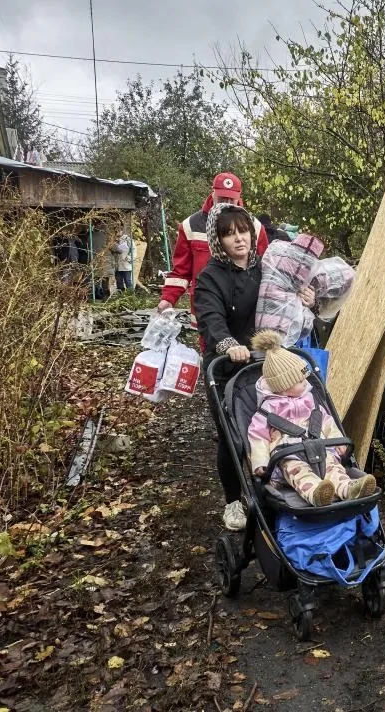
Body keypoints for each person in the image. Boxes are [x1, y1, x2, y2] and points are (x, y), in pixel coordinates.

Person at [193, 203, 316, 530]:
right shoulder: (210, 278)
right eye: (228, 233)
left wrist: (304, 296)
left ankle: (281, 487)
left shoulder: (267, 269)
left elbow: (284, 296)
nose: (238, 239)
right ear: (217, 240)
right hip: (227, 368)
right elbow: (210, 320)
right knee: (233, 438)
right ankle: (234, 501)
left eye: (243, 230)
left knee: (279, 429)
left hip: (267, 366)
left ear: (252, 232)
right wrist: (228, 344)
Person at [247, 329, 376, 506]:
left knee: (333, 468)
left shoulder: (310, 400)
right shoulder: (267, 410)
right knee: (300, 473)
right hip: (289, 454)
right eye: (300, 381)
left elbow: (327, 421)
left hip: (320, 448)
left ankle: (349, 488)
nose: (306, 382)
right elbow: (258, 437)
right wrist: (260, 461)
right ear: (284, 386)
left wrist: (338, 442)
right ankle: (316, 493)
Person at [157, 173, 270, 318]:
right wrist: (168, 298)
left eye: (231, 199)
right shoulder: (190, 225)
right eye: (222, 198)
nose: (227, 203)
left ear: (239, 198)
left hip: (244, 310)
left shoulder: (255, 227)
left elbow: (266, 269)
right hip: (206, 307)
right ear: (213, 194)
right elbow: (181, 271)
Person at [109, 222, 134, 291]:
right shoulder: (113, 240)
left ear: (122, 231)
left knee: (128, 281)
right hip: (117, 265)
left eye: (118, 231)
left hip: (126, 265)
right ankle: (121, 297)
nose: (117, 232)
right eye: (116, 231)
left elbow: (133, 250)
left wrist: (129, 258)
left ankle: (131, 296)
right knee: (119, 282)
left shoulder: (128, 239)